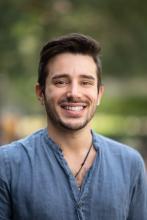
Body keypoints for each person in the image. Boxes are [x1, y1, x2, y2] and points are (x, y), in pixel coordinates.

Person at [0, 33, 146, 220]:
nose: (74, 93)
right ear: (40, 92)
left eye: (85, 82)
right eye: (61, 82)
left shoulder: (130, 165)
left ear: (99, 94)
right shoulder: (7, 165)